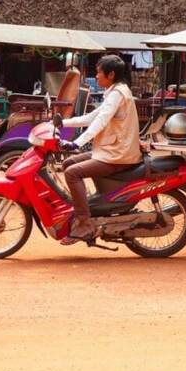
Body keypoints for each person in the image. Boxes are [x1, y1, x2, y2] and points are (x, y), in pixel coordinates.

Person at [59, 55, 143, 241]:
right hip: (110, 150)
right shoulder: (116, 91)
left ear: (111, 74)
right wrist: (60, 124)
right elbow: (91, 117)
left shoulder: (117, 94)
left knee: (72, 173)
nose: (96, 76)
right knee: (69, 163)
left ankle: (84, 223)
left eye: (98, 72)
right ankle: (85, 205)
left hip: (117, 154)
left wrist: (76, 143)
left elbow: (100, 122)